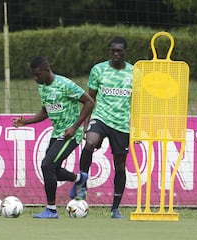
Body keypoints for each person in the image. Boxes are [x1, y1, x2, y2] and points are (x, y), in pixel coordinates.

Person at [12, 56, 94, 219]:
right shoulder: (42, 87)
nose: (35, 78)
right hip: (57, 133)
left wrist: (75, 127)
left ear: (46, 70)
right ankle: (79, 178)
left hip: (70, 134)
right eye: (33, 75)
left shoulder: (65, 85)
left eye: (37, 74)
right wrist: (25, 122)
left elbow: (90, 102)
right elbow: (45, 111)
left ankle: (51, 210)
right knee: (53, 170)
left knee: (47, 165)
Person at [71, 36, 133, 219]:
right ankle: (81, 185)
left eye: (119, 51)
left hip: (122, 124)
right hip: (101, 118)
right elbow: (90, 99)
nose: (115, 53)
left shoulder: (135, 73)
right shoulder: (98, 70)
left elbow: (139, 102)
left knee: (120, 166)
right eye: (113, 50)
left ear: (125, 52)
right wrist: (85, 123)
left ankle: (115, 209)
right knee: (90, 142)